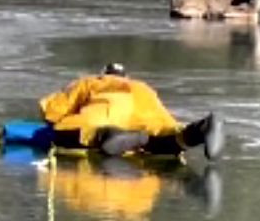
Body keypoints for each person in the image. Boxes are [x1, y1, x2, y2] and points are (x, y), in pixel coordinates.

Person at [38, 63, 225, 159]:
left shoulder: (91, 82)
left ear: (103, 73)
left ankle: (108, 135)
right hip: (139, 119)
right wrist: (177, 130)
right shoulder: (142, 88)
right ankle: (198, 130)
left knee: (66, 132)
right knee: (165, 136)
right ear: (127, 77)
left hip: (105, 114)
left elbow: (52, 112)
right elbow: (164, 119)